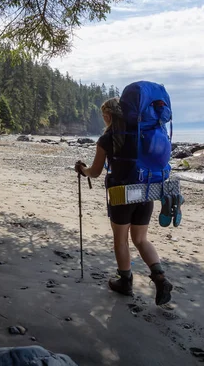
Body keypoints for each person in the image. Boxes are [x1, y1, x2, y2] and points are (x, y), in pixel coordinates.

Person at [75, 97, 173, 305]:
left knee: (121, 239)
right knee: (141, 239)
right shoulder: (142, 133)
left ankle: (125, 282)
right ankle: (160, 277)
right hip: (147, 191)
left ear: (108, 115)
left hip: (122, 194)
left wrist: (82, 170)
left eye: (103, 116)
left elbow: (95, 171)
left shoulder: (108, 138)